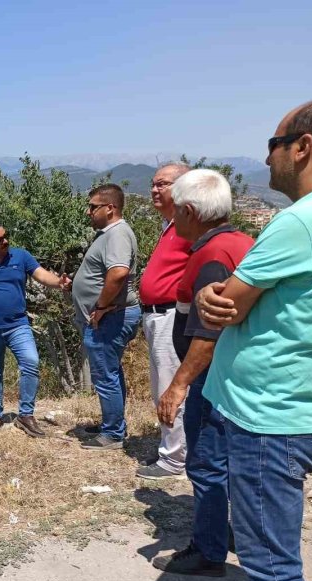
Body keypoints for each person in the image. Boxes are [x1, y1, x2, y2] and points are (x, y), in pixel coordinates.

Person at [195, 98, 312, 581]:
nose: (266, 158)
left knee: (269, 560)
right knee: (272, 551)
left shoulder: (301, 220)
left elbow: (225, 307)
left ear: (303, 147)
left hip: (268, 418)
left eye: (272, 144)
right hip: (301, 404)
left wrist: (214, 301)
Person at [149, 169, 253, 577]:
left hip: (211, 379)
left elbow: (208, 331)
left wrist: (177, 386)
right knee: (223, 462)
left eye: (176, 208)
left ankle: (208, 551)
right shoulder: (236, 242)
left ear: (190, 210)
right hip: (230, 375)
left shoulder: (211, 256)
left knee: (206, 464)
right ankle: (224, 531)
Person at [0, 221, 69, 438]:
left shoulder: (20, 256)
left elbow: (40, 274)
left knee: (31, 362)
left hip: (18, 324)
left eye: (6, 236)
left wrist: (59, 283)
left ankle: (25, 415)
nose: (5, 241)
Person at [70, 184, 141, 449]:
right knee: (110, 371)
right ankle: (113, 424)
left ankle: (112, 433)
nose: (88, 212)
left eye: (93, 206)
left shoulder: (117, 234)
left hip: (111, 316)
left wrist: (100, 306)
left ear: (110, 208)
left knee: (105, 374)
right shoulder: (108, 234)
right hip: (110, 314)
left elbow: (119, 272)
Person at [135, 162, 192, 480]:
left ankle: (174, 459)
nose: (155, 190)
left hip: (172, 315)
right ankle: (172, 449)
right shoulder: (170, 226)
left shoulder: (189, 226)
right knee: (162, 386)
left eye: (163, 184)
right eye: (153, 184)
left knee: (172, 387)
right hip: (157, 315)